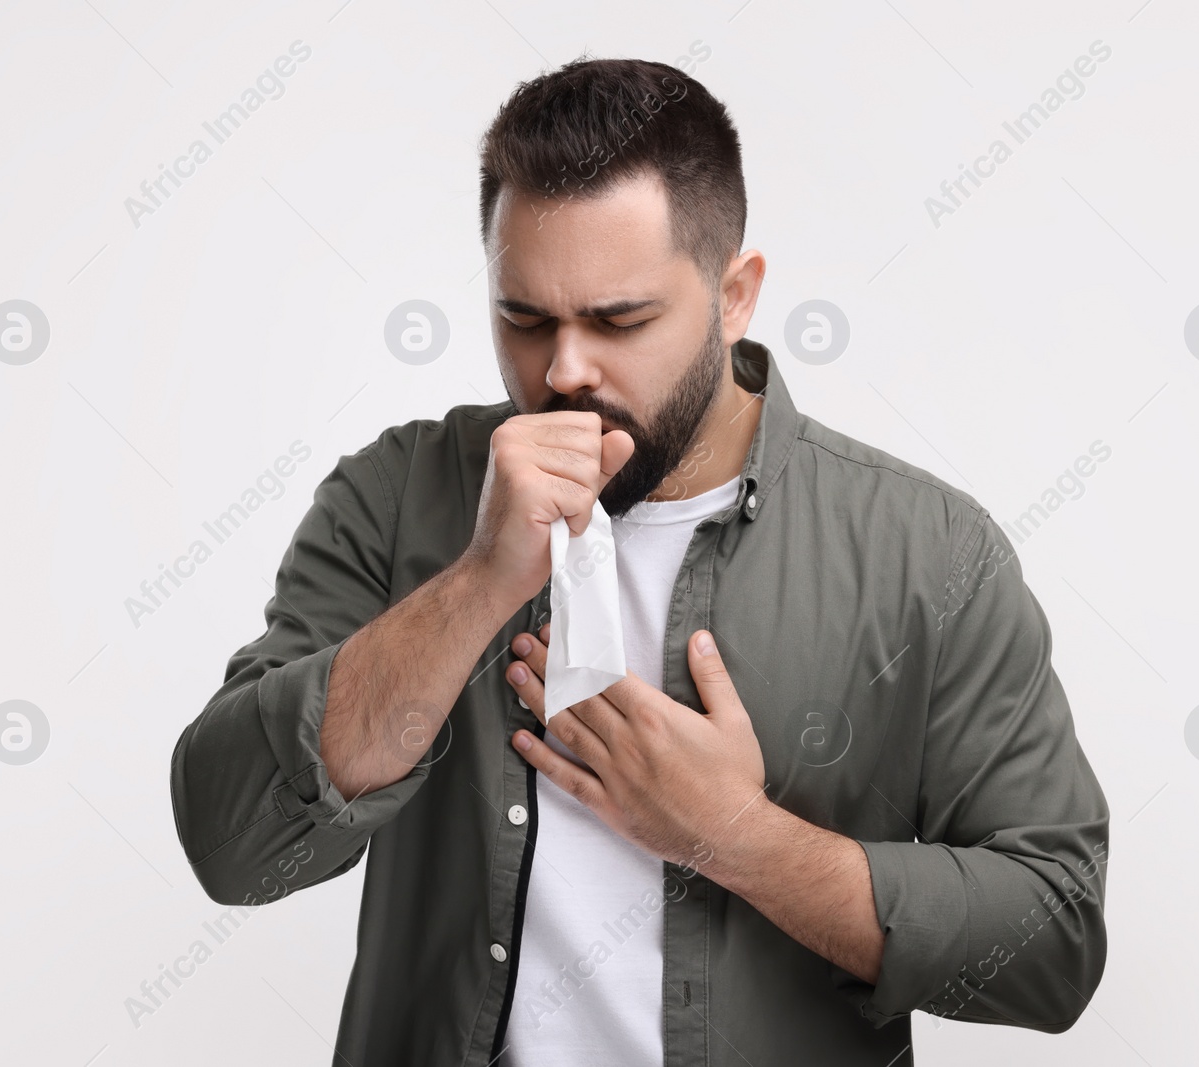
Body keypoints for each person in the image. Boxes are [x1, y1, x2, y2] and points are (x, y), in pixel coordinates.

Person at [170, 55, 1109, 1066]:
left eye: (619, 320)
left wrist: (735, 836)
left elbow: (1051, 943)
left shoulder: (926, 553)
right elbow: (235, 847)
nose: (563, 369)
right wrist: (480, 579)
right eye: (523, 318)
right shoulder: (398, 493)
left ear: (734, 293)